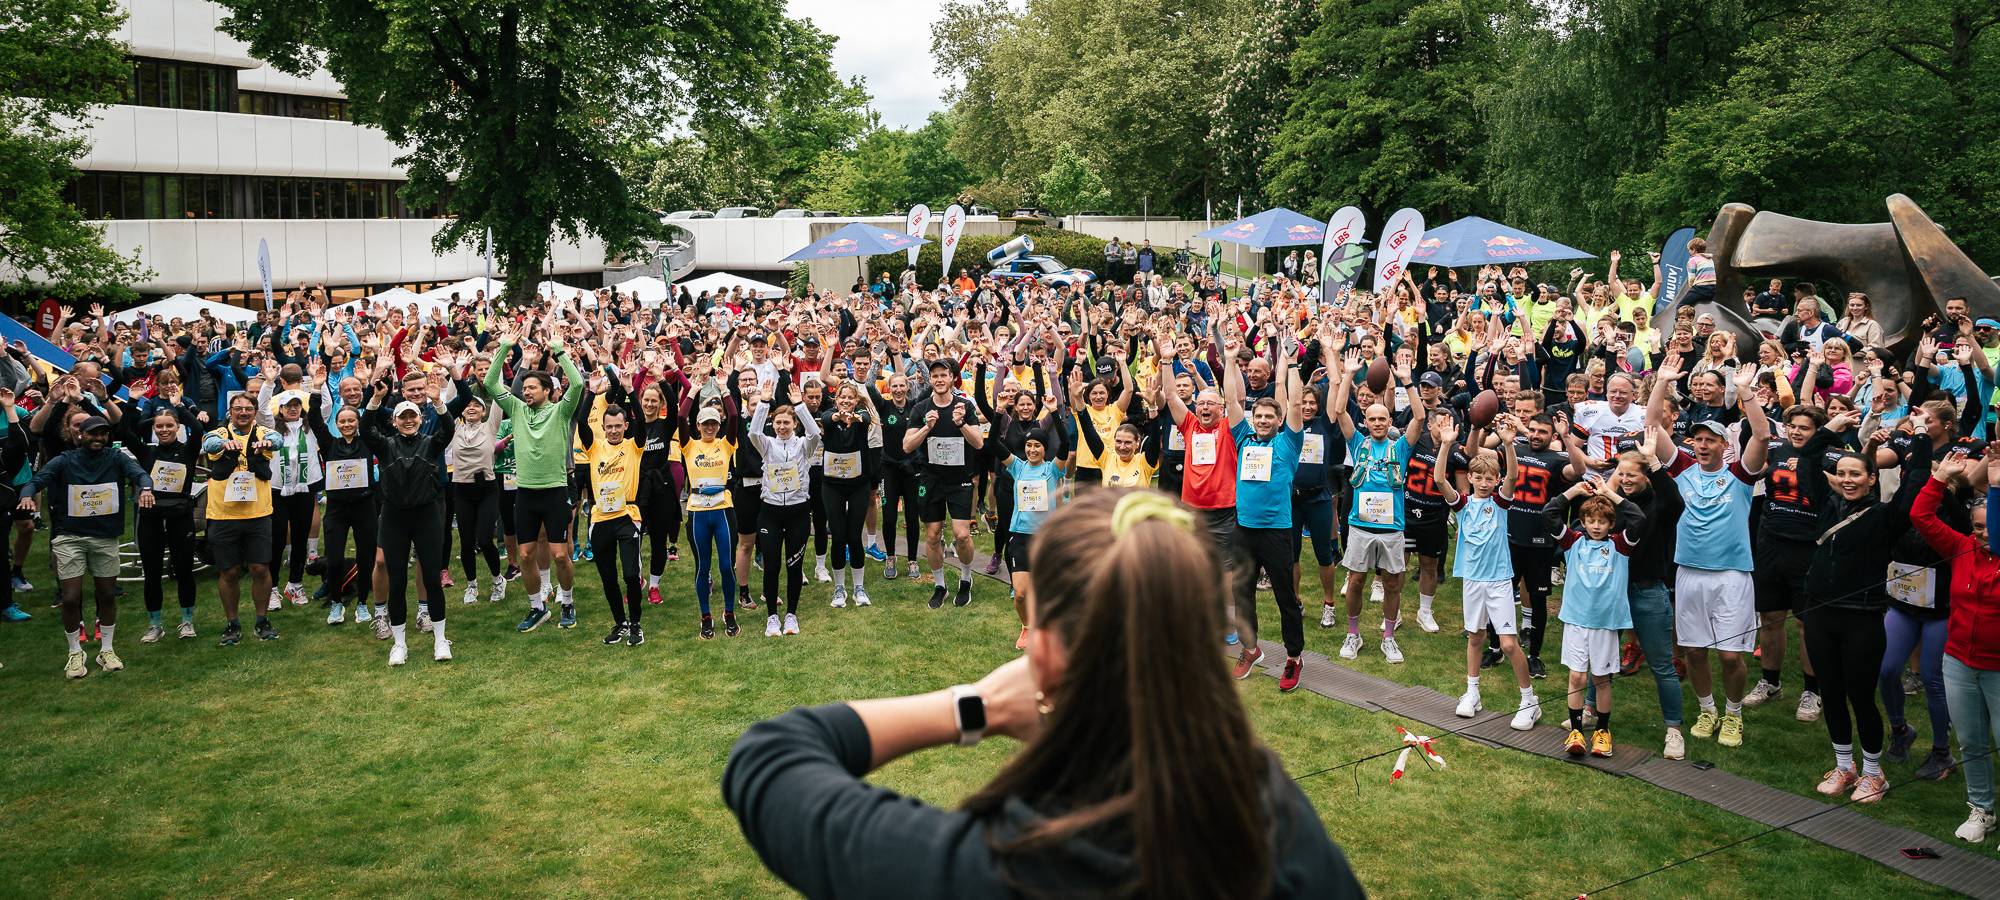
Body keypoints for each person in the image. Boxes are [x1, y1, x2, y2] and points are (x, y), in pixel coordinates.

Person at [722, 490, 1364, 898]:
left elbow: (769, 759)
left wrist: (974, 705)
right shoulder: (1275, 818)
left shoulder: (1003, 868)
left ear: (1044, 651)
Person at [1648, 356, 1770, 749]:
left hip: (1732, 575)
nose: (1702, 445)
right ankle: (1707, 709)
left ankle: (1733, 714)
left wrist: (1746, 393)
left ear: (1724, 445)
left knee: (1731, 656)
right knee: (1694, 651)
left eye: (1710, 440)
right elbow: (1652, 426)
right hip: (1689, 571)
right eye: (1698, 439)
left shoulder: (1739, 475)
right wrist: (1661, 382)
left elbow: (1762, 436)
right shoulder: (1682, 468)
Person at [20, 415, 152, 678]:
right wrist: (26, 496)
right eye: (93, 433)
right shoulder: (65, 460)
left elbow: (140, 474)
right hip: (70, 536)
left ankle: (107, 650)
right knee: (70, 597)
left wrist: (146, 488)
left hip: (104, 536)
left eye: (103, 434)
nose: (98, 438)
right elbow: (36, 480)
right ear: (80, 435)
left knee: (107, 594)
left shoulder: (116, 458)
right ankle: (74, 652)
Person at [1914, 453, 2000, 844]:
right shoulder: (1961, 546)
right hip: (1960, 662)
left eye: (1991, 527)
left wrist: (1995, 487)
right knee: (1971, 742)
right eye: (1978, 527)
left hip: (1997, 667)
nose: (1983, 534)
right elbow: (1921, 517)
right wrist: (1939, 480)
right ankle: (1981, 809)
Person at [1435, 414, 1540, 729]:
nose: (1483, 483)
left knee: (1508, 644)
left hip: (1498, 582)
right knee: (1475, 637)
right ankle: (1472, 692)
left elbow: (1514, 476)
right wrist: (1446, 445)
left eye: (1489, 479)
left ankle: (1529, 701)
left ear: (1495, 480)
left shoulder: (1501, 503)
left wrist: (1508, 444)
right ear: (1470, 478)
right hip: (1472, 580)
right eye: (1478, 477)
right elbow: (1440, 480)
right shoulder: (1463, 505)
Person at [485, 323, 585, 632]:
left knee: (560, 555)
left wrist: (560, 351)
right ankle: (537, 608)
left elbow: (578, 384)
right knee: (526, 554)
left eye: (532, 388)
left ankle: (567, 602)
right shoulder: (516, 409)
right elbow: (490, 383)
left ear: (547, 391)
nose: (526, 391)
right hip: (526, 493)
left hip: (554, 491)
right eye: (524, 388)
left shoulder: (560, 411)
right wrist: (504, 347)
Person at [1221, 328, 1307, 689]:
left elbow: (1297, 405)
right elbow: (1231, 401)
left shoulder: (1288, 443)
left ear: (1278, 420)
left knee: (1286, 597)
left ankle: (1293, 657)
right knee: (1241, 594)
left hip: (1276, 530)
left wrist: (1293, 365)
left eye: (1270, 417)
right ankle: (1250, 649)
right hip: (1244, 529)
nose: (1263, 421)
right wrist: (1229, 360)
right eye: (1259, 416)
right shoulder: (1243, 438)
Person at [1333, 346, 1424, 663]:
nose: (1377, 423)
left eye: (1382, 418)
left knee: (1391, 584)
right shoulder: (1358, 443)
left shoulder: (1400, 448)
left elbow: (1420, 417)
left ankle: (1388, 637)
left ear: (1389, 421)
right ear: (1366, 422)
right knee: (1356, 581)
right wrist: (1347, 375)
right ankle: (1353, 633)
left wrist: (1407, 382)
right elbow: (1340, 412)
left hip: (1391, 528)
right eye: (1371, 419)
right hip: (1360, 526)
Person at [1545, 479, 1647, 758]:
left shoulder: (1620, 545)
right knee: (1577, 676)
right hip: (1576, 620)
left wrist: (1609, 493)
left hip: (1605, 623)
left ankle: (1602, 730)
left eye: (1602, 521)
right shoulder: (1573, 542)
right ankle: (1576, 731)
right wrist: (1574, 491)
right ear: (1583, 522)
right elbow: (1549, 513)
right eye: (1591, 521)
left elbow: (1638, 518)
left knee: (1601, 678)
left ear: (1611, 523)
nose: (1596, 526)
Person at [363, 388, 457, 666]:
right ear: (394, 421)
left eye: (412, 416)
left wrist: (438, 402)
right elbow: (365, 428)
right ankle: (399, 644)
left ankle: (440, 639)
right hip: (394, 518)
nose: (408, 421)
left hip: (426, 516)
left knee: (432, 579)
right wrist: (375, 399)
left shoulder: (431, 443)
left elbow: (448, 428)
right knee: (398, 581)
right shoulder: (385, 445)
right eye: (402, 417)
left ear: (419, 419)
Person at [902, 358, 986, 611]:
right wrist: (926, 428)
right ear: (930, 380)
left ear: (952, 378)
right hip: (932, 479)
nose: (939, 379)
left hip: (959, 479)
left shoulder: (964, 406)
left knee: (962, 535)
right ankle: (940, 585)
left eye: (943, 375)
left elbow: (978, 443)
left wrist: (961, 423)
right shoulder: (921, 408)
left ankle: (966, 578)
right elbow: (907, 446)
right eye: (935, 376)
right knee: (933, 535)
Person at [746, 366, 821, 636]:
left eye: (786, 423)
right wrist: (764, 403)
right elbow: (753, 434)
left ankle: (791, 615)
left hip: (798, 511)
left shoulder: (803, 445)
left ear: (794, 424)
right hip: (771, 512)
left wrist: (800, 405)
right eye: (778, 423)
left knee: (794, 565)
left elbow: (815, 434)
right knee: (772, 566)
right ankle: (772, 617)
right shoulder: (767, 444)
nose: (781, 426)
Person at [575, 371, 646, 646]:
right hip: (601, 518)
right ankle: (620, 623)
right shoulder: (595, 447)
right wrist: (591, 393)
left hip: (627, 517)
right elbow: (582, 421)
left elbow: (641, 420)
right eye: (610, 426)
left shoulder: (634, 446)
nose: (614, 430)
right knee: (607, 576)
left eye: (618, 426)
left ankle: (636, 624)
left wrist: (630, 391)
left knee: (630, 574)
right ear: (603, 427)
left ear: (625, 426)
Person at [203, 392, 279, 646]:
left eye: (248, 408)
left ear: (255, 412)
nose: (243, 412)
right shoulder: (220, 432)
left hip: (258, 513)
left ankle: (262, 620)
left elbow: (277, 439)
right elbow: (208, 443)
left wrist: (268, 443)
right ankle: (232, 623)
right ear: (230, 412)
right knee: (229, 571)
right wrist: (224, 445)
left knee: (260, 568)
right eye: (238, 408)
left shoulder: (262, 432)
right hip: (223, 514)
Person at [125, 407, 199, 642]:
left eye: (169, 425)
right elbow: (126, 431)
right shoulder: (147, 452)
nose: (164, 430)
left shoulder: (188, 450)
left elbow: (198, 429)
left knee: (184, 570)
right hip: (151, 518)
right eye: (159, 426)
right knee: (152, 573)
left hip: (180, 517)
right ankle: (154, 624)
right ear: (153, 428)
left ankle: (187, 621)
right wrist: (148, 415)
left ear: (178, 427)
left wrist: (178, 408)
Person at [682, 404, 739, 639]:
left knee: (726, 566)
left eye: (713, 423)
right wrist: (692, 391)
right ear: (697, 425)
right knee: (703, 567)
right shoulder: (689, 446)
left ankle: (729, 612)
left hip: (722, 510)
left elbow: (734, 415)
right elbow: (680, 416)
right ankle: (706, 616)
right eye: (705, 423)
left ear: (719, 425)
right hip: (698, 511)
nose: (709, 427)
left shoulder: (725, 444)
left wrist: (725, 389)